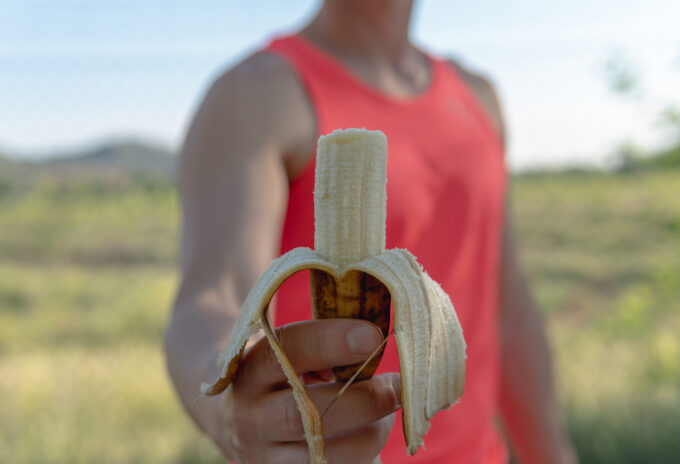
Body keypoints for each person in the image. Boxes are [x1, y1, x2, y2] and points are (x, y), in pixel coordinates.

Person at [165, 1, 578, 463]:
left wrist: (555, 454)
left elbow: (508, 309)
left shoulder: (478, 97)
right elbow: (212, 298)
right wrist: (230, 412)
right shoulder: (256, 94)